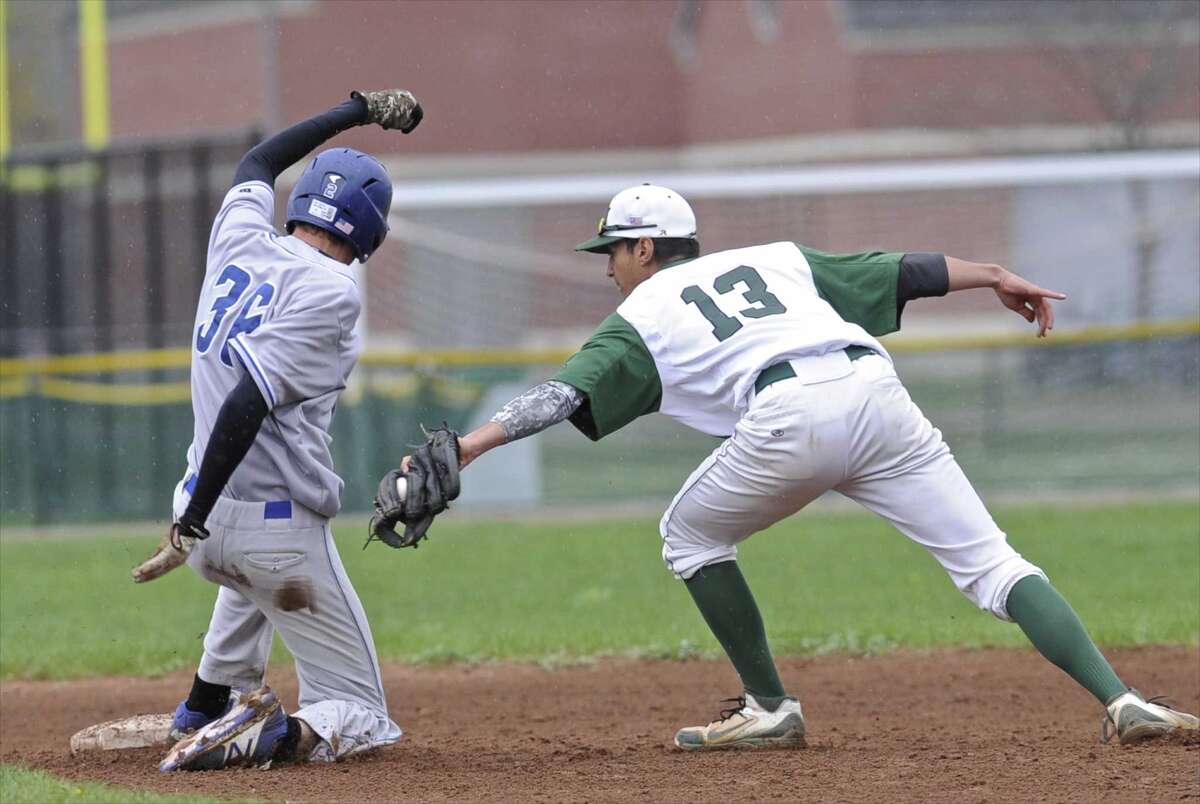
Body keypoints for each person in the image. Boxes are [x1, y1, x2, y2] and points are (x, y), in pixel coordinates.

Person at [403, 183, 1199, 750]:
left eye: (613, 250)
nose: (608, 265)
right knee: (994, 564)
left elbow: (556, 393)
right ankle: (1123, 700)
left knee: (688, 536)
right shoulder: (777, 260)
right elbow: (899, 270)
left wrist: (467, 449)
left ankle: (770, 706)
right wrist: (993, 273)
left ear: (645, 247)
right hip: (877, 391)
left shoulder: (640, 310)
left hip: (790, 415)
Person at [131, 88, 424, 771]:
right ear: (370, 234)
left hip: (210, 522)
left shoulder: (236, 237)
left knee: (250, 585)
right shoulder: (332, 290)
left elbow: (261, 158)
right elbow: (247, 401)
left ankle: (203, 708)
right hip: (262, 531)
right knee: (363, 714)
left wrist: (356, 110)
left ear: (299, 205)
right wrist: (195, 519)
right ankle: (265, 736)